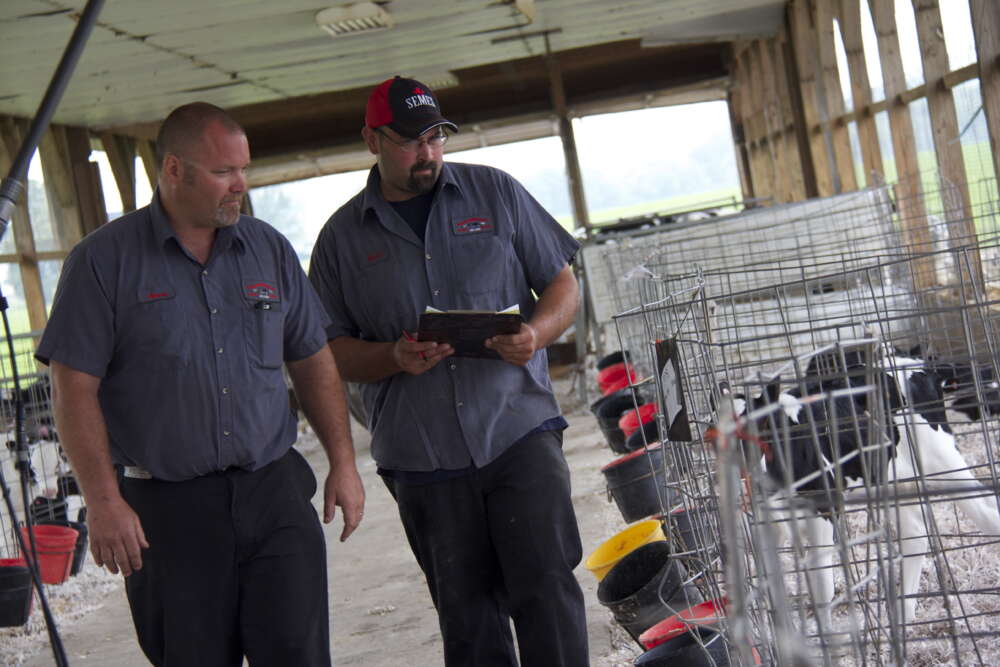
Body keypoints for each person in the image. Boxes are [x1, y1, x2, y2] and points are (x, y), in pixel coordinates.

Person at [36, 102, 365, 667]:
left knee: (299, 654)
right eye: (222, 172)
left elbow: (312, 359)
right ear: (173, 171)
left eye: (243, 168)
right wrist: (103, 501)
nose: (239, 184)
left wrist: (344, 460)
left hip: (273, 492)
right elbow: (73, 390)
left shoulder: (269, 249)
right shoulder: (103, 263)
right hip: (169, 510)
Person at [308, 76, 588, 666]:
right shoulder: (339, 241)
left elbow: (562, 284)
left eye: (435, 137)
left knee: (547, 590)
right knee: (467, 617)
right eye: (410, 141)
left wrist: (535, 334)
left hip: (518, 431)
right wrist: (391, 358)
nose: (427, 152)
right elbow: (326, 348)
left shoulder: (498, 194)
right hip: (422, 456)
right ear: (372, 141)